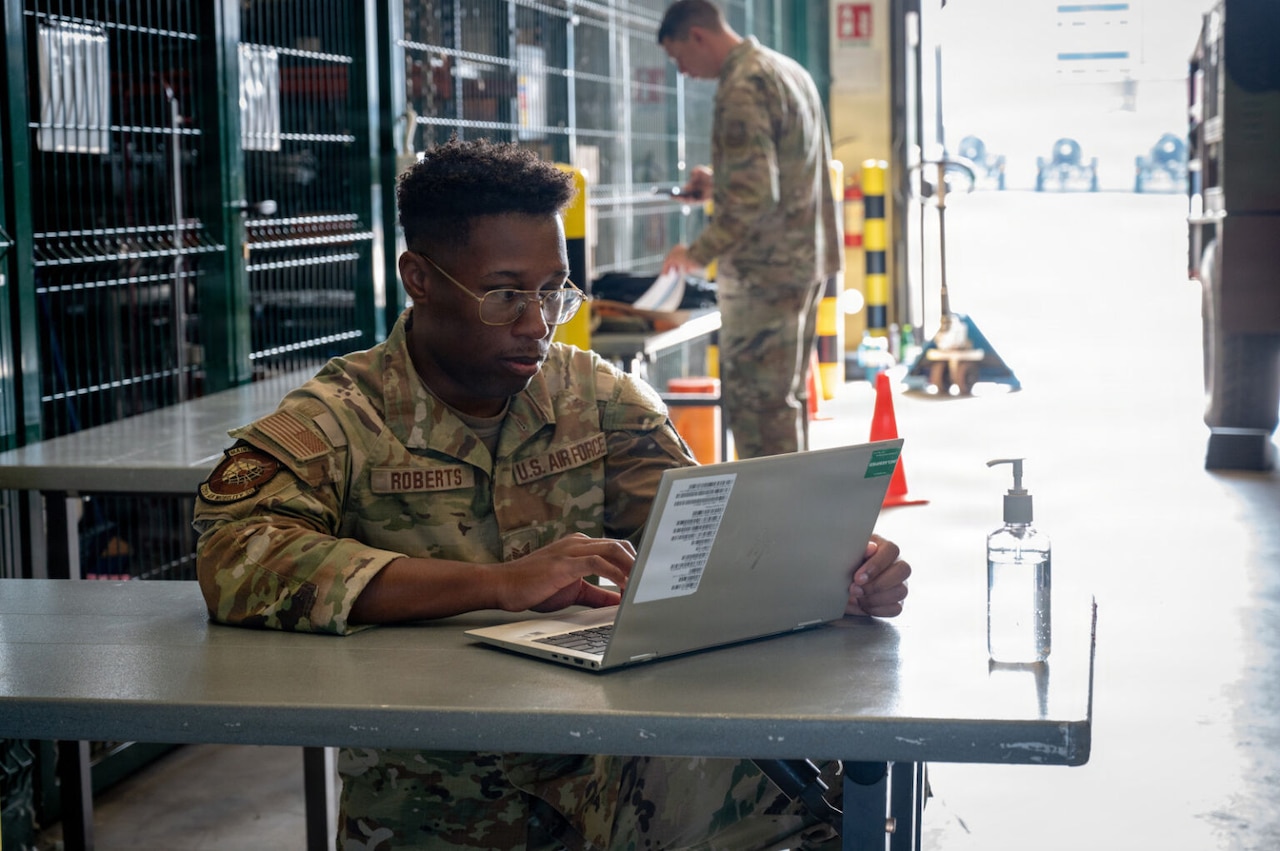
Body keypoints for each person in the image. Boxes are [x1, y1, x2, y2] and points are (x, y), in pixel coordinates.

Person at [194, 136, 910, 851]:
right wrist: (496, 584)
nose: (536, 323)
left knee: (827, 797)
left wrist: (827, 570)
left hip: (606, 763)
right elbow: (237, 557)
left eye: (552, 292)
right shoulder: (345, 414)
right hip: (438, 793)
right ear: (420, 278)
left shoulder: (593, 394)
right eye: (505, 294)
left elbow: (704, 528)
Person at [658, 0, 842, 460]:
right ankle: (793, 513)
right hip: (803, 262)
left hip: (765, 274)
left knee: (758, 410)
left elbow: (755, 197)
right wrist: (721, 184)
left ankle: (774, 525)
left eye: (679, 57)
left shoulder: (742, 85)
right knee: (784, 402)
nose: (683, 71)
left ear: (698, 36)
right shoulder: (785, 71)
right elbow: (786, 172)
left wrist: (694, 254)